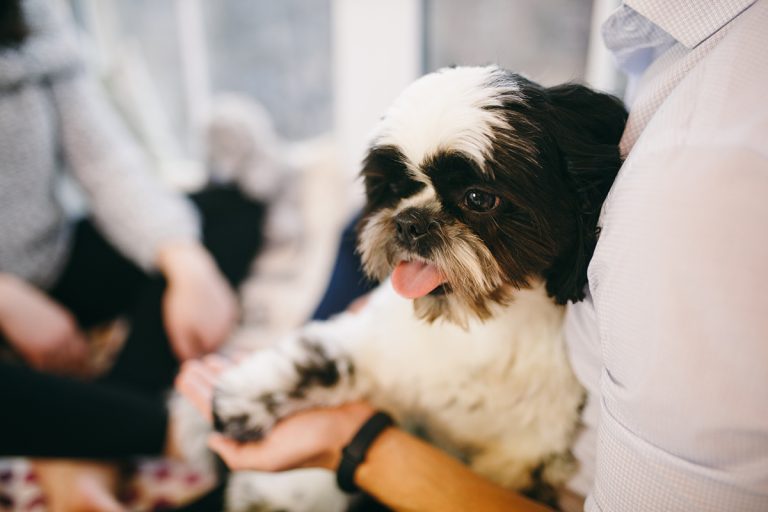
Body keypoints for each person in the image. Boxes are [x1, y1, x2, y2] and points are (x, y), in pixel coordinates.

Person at [176, 1, 768, 511]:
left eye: (476, 199)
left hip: (494, 459)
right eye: (398, 190)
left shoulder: (706, 170)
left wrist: (350, 442)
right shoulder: (682, 50)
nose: (413, 218)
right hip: (419, 381)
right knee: (345, 240)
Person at [0, 1, 264, 510]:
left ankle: (86, 445)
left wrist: (184, 260)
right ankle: (161, 430)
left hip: (50, 258)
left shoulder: (33, 14)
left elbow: (105, 162)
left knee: (229, 213)